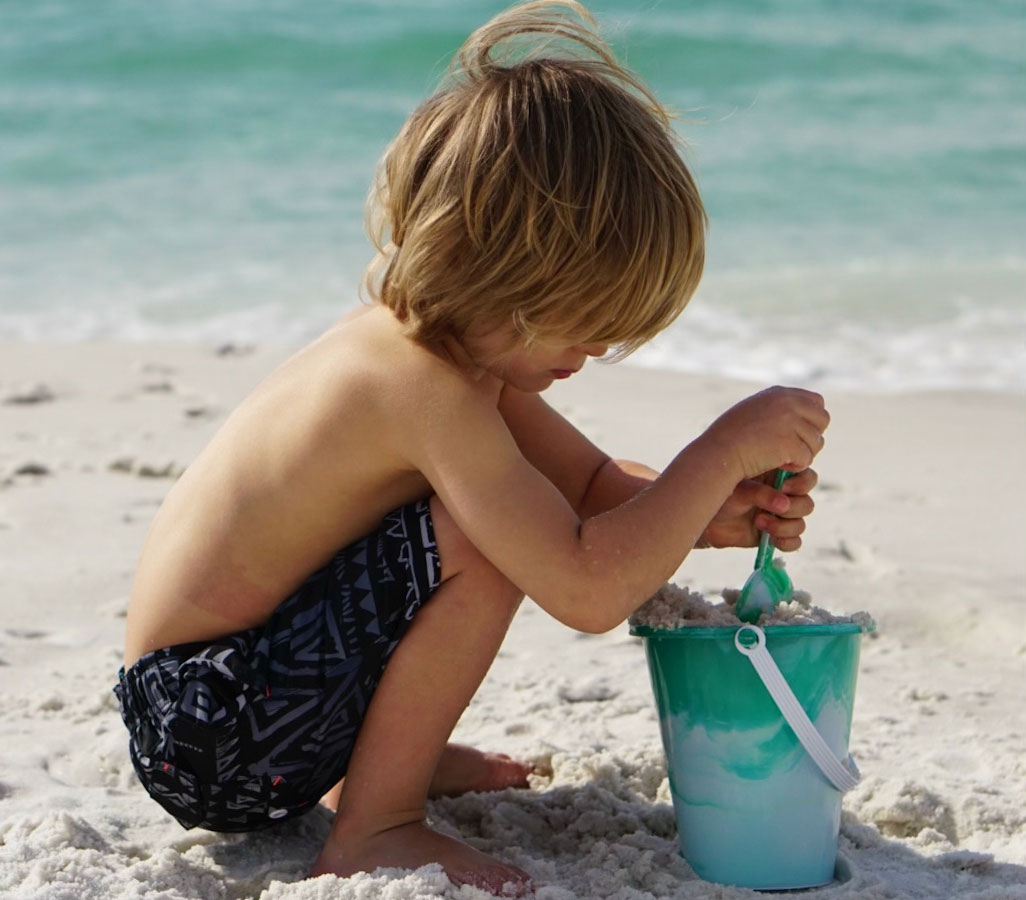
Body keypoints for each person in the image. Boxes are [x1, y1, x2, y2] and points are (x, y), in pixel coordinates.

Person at [113, 1, 829, 896]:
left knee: (496, 517)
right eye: (586, 325)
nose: (595, 354)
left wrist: (704, 513)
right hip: (212, 728)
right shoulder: (417, 387)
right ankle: (376, 824)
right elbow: (584, 584)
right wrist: (718, 452)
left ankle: (374, 763)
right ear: (512, 276)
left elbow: (594, 486)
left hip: (232, 701)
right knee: (480, 542)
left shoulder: (445, 356)